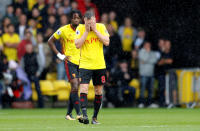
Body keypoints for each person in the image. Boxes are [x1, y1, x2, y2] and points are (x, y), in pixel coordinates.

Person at [75, 11, 110, 124]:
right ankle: (84, 115)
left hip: (99, 65)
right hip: (85, 65)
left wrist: (95, 30)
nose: (90, 25)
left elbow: (107, 42)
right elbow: (77, 45)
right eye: (88, 23)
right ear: (84, 21)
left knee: (98, 91)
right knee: (84, 89)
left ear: (95, 19)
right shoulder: (80, 29)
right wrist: (86, 31)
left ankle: (94, 118)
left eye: (92, 22)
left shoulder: (101, 27)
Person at [48, 10, 82, 121]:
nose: (76, 19)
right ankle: (79, 113)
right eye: (74, 17)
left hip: (81, 62)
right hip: (70, 62)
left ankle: (68, 114)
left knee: (74, 88)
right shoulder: (63, 30)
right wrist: (60, 55)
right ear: (70, 19)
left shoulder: (83, 29)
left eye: (78, 18)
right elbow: (50, 41)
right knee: (75, 86)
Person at [138, 41, 159, 108]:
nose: (148, 47)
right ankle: (141, 103)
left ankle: (150, 103)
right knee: (143, 89)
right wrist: (148, 54)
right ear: (144, 46)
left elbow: (155, 60)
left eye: (149, 45)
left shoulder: (152, 52)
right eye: (147, 45)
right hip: (143, 74)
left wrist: (146, 61)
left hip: (151, 74)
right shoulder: (141, 52)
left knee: (151, 89)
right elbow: (145, 58)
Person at [157, 40, 173, 107]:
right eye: (165, 44)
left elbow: (171, 61)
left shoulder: (172, 53)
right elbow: (159, 63)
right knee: (162, 89)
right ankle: (162, 103)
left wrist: (164, 61)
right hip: (162, 73)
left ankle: (171, 102)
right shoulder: (161, 53)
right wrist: (165, 61)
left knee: (171, 88)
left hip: (170, 73)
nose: (167, 46)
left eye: (168, 44)